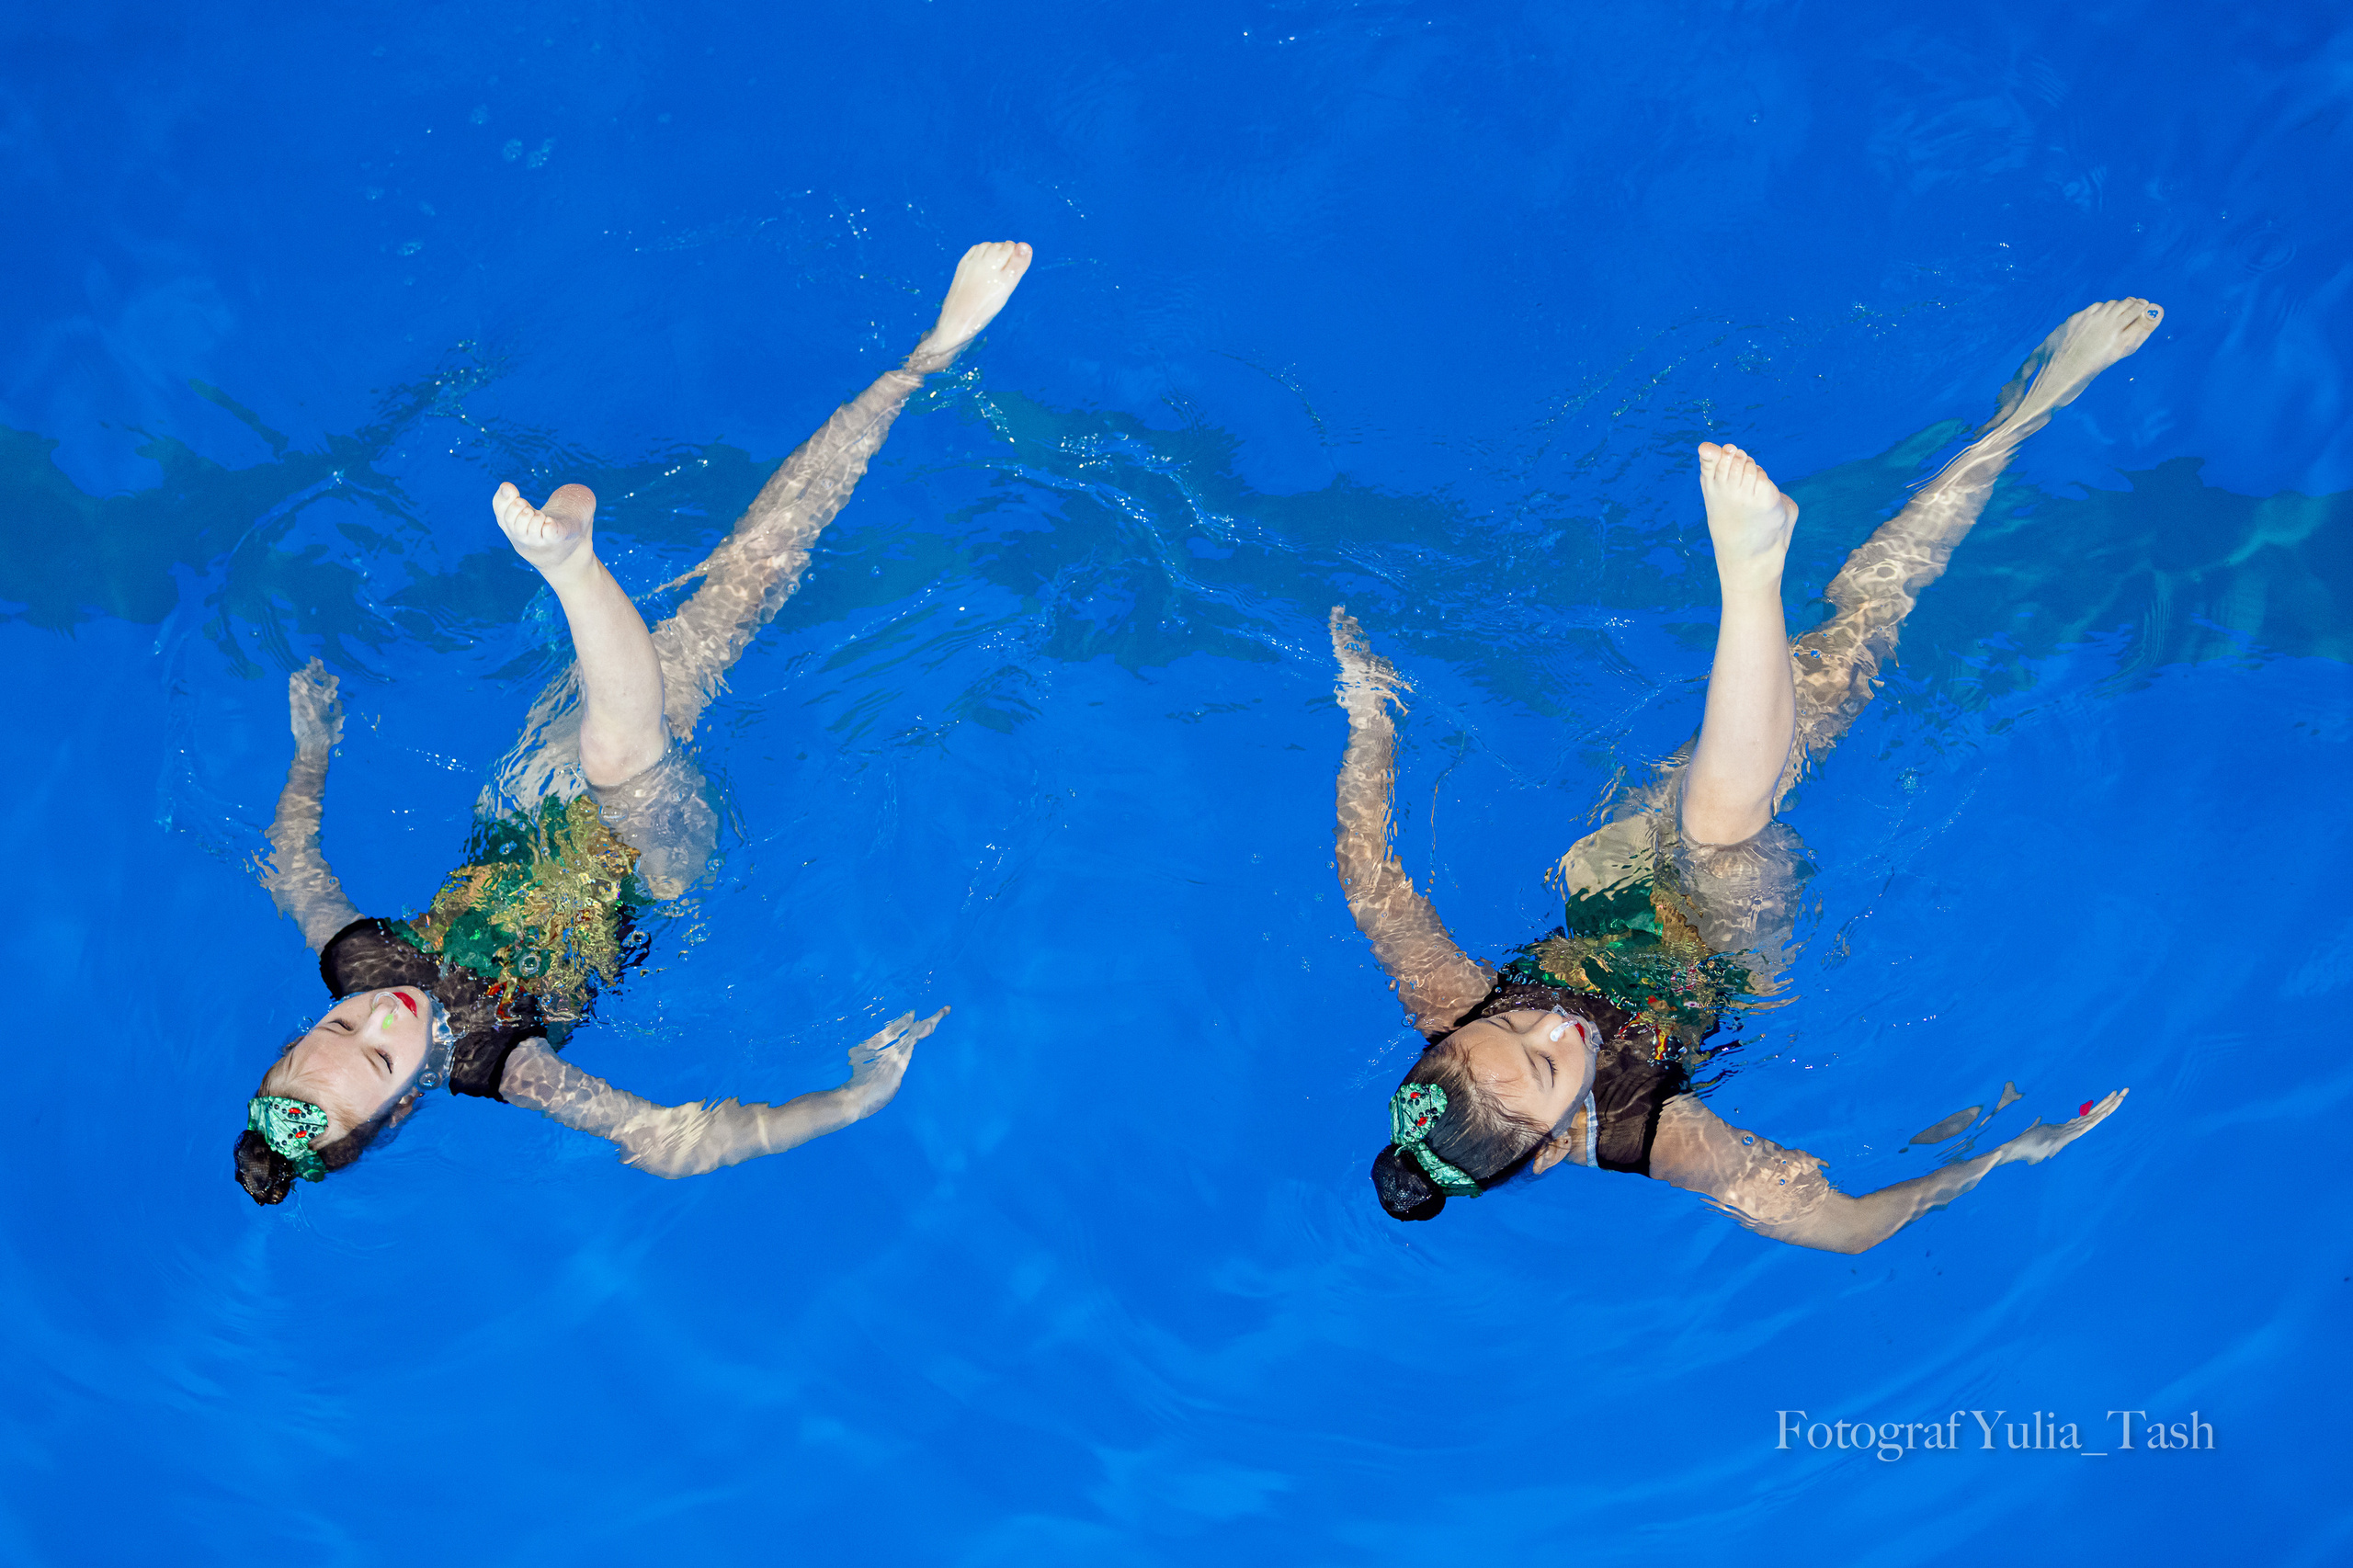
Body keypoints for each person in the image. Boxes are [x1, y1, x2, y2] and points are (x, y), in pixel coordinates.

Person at [1334, 298, 2162, 1252]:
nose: (1552, 1029)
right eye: (1550, 1068)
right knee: (1725, 822)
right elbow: (1845, 1228)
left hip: (1616, 888)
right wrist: (2003, 1155)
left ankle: (2018, 421)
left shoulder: (1449, 1001)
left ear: (1450, 1035)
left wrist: (1368, 713)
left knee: (1842, 647)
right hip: (1721, 952)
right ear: (1555, 1146)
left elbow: (1367, 879)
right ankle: (1757, 574)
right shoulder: (1651, 1134)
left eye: (1513, 1026)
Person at [234, 241, 1034, 1204]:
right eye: (378, 1056)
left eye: (338, 1025)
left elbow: (294, 863)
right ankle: (917, 363)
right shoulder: (506, 1065)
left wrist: (313, 749)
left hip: (530, 819)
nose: (380, 1016)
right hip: (645, 872)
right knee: (684, 660)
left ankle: (586, 587)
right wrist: (854, 1099)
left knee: (633, 684)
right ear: (403, 1104)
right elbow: (666, 1143)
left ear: (310, 1022)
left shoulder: (357, 961)